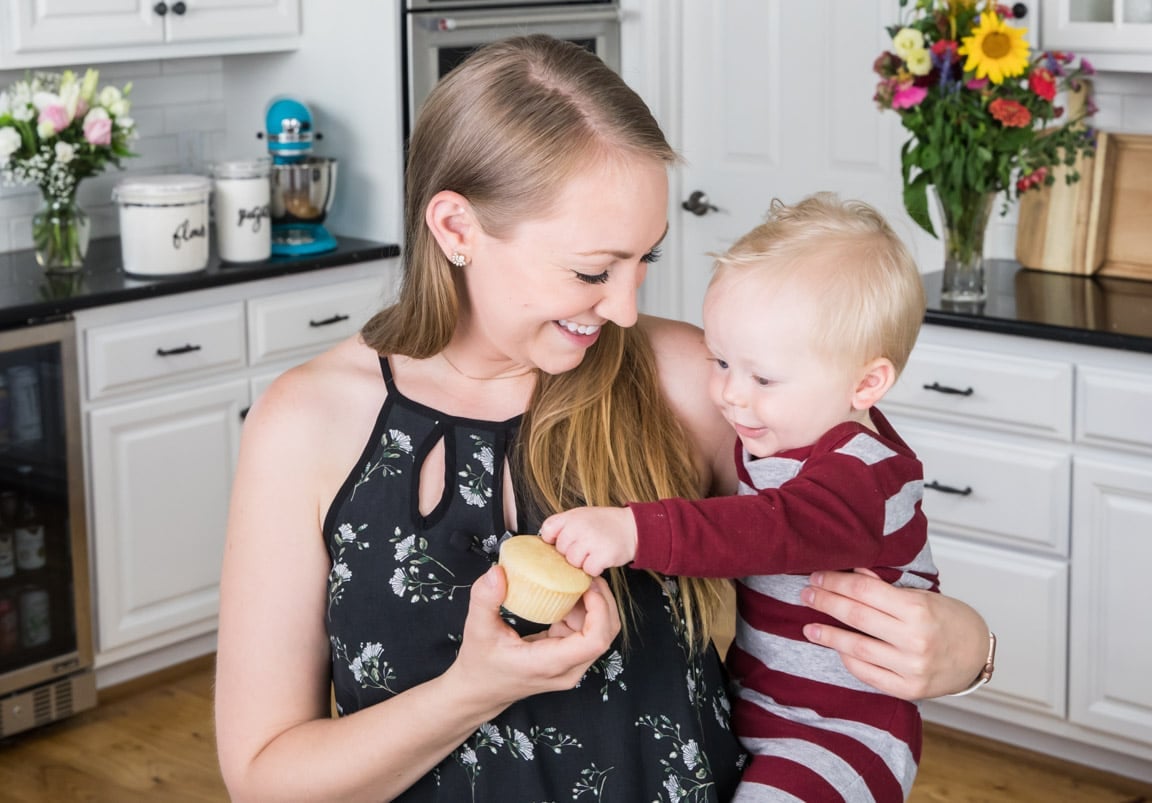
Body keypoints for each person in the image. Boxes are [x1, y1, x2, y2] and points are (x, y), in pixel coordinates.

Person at [214, 34, 992, 803]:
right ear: (456, 229)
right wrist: (471, 689)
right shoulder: (304, 424)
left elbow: (862, 513)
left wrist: (967, 647)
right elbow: (264, 778)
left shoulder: (690, 379)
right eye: (593, 270)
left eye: (644, 259)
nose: (625, 308)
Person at [541, 193, 937, 802]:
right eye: (721, 361)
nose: (731, 395)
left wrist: (632, 531)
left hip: (841, 732)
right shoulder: (782, 435)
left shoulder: (867, 474)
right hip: (759, 711)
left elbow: (764, 529)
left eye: (764, 378)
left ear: (866, 383)